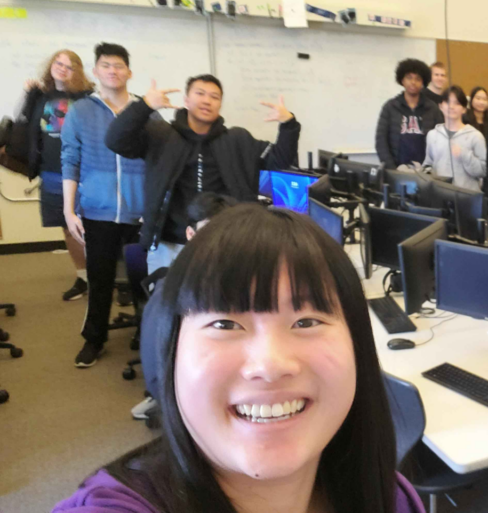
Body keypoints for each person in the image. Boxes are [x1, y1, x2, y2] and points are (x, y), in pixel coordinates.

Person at [54, 204, 424, 513]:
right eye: (225, 323)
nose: (270, 364)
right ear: (171, 353)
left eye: (307, 321)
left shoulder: (391, 498)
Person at [106, 74, 300, 273]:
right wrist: (145, 106)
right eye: (200, 93)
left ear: (220, 104)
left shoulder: (238, 139)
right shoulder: (160, 135)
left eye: (214, 97)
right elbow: (115, 140)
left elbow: (280, 159)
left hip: (228, 244)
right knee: (169, 302)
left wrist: (289, 125)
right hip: (170, 244)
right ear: (186, 100)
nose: (207, 100)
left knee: (225, 303)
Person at [61, 43, 147, 368]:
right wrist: (70, 211)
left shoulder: (144, 111)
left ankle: (145, 332)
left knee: (143, 278)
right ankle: (94, 339)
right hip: (97, 210)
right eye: (106, 65)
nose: (113, 70)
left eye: (119, 65)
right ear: (96, 71)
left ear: (129, 72)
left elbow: (157, 161)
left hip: (140, 210)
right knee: (100, 279)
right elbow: (70, 159)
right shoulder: (81, 111)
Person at [132, 192, 238, 422]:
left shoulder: (194, 273)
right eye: (211, 233)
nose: (221, 242)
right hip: (180, 400)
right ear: (191, 234)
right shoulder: (191, 290)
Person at [14, 49, 94, 300]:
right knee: (68, 229)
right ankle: (83, 278)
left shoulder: (88, 98)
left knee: (98, 228)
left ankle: (115, 278)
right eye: (58, 63)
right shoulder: (41, 96)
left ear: (77, 71)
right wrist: (28, 94)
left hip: (86, 174)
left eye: (69, 66)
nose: (62, 68)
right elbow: (24, 124)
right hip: (51, 173)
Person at [374, 58, 444, 170]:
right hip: (396, 170)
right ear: (402, 80)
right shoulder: (390, 107)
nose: (413, 82)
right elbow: (381, 142)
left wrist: (431, 169)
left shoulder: (432, 109)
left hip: (425, 173)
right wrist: (392, 170)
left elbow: (442, 141)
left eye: (418, 79)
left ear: (423, 82)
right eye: (409, 77)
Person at [422, 86, 486, 191]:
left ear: (464, 109)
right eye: (447, 102)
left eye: (456, 103)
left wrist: (464, 154)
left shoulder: (476, 136)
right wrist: (426, 172)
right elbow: (428, 163)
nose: (451, 107)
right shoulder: (432, 135)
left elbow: (482, 171)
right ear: (440, 106)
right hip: (440, 196)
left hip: (467, 197)